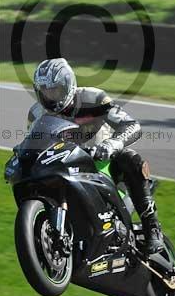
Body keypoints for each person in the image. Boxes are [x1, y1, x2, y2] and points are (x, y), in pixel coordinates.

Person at [27, 57, 164, 255]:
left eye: (55, 90)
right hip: (64, 166)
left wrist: (111, 144)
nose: (51, 97)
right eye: (45, 92)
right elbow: (34, 146)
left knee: (131, 159)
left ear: (68, 85)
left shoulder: (93, 98)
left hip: (102, 162)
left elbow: (132, 125)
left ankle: (152, 227)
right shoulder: (36, 114)